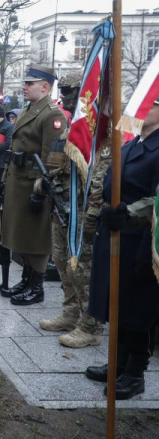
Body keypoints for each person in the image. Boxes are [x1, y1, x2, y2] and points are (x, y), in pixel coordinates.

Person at [85, 96, 159, 400]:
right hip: (113, 234)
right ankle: (116, 363)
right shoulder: (130, 141)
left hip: (139, 240)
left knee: (137, 309)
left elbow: (158, 201)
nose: (139, 109)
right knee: (116, 304)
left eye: (150, 104)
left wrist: (128, 212)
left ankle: (134, 373)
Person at [40, 72, 105, 348]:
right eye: (63, 89)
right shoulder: (70, 127)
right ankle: (70, 313)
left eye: (71, 90)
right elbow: (58, 164)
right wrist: (41, 183)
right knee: (63, 262)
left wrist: (93, 210)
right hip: (62, 205)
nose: (65, 95)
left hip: (82, 209)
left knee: (83, 269)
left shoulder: (96, 127)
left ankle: (90, 326)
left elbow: (101, 173)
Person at [0, 65, 66, 305]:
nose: (24, 87)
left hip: (34, 185)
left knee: (36, 237)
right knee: (22, 233)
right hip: (18, 181)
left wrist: (41, 190)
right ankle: (27, 278)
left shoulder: (52, 115)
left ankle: (37, 287)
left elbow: (53, 159)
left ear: (45, 86)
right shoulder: (29, 109)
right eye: (25, 83)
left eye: (30, 83)